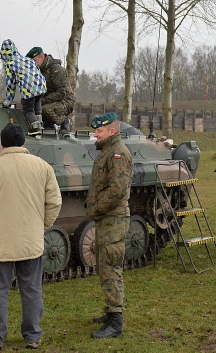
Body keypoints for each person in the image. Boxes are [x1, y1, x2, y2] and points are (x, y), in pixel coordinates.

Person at [0, 123, 62, 351]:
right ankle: (32, 336)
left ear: (1, 145)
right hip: (31, 240)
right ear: (24, 143)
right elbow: (54, 202)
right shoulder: (42, 167)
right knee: (31, 289)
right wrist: (40, 226)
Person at [84, 112, 133, 339]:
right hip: (107, 218)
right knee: (105, 265)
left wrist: (95, 209)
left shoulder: (118, 154)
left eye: (99, 130)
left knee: (110, 267)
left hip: (113, 218)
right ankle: (111, 311)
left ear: (111, 131)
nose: (95, 134)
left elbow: (117, 191)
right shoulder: (107, 152)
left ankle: (116, 322)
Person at [0, 39, 47, 135]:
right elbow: (37, 70)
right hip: (41, 86)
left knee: (28, 110)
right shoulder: (27, 60)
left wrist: (8, 101)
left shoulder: (10, 64)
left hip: (29, 89)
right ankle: (40, 125)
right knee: (37, 106)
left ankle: (35, 128)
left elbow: (10, 84)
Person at [25, 47, 75, 131]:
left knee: (45, 109)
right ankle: (47, 125)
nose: (33, 64)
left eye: (34, 61)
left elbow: (62, 93)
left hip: (65, 101)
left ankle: (64, 121)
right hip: (50, 100)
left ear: (42, 57)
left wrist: (41, 101)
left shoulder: (56, 69)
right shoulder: (37, 71)